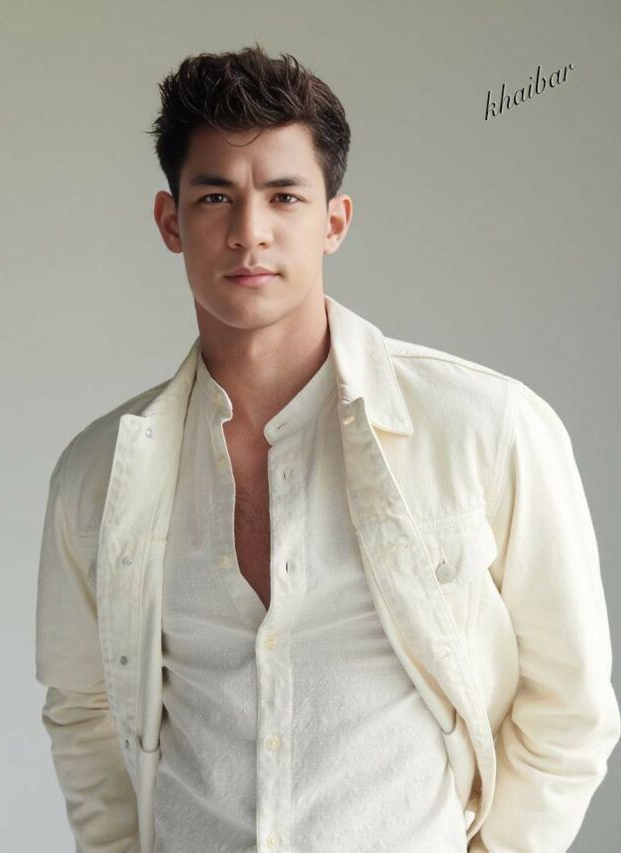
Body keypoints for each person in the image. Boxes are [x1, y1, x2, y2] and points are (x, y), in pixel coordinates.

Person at [35, 43, 620, 853]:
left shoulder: (487, 428)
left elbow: (572, 709)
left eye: (284, 196)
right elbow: (82, 709)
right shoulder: (98, 474)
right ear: (171, 221)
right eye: (215, 196)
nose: (250, 233)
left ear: (334, 222)